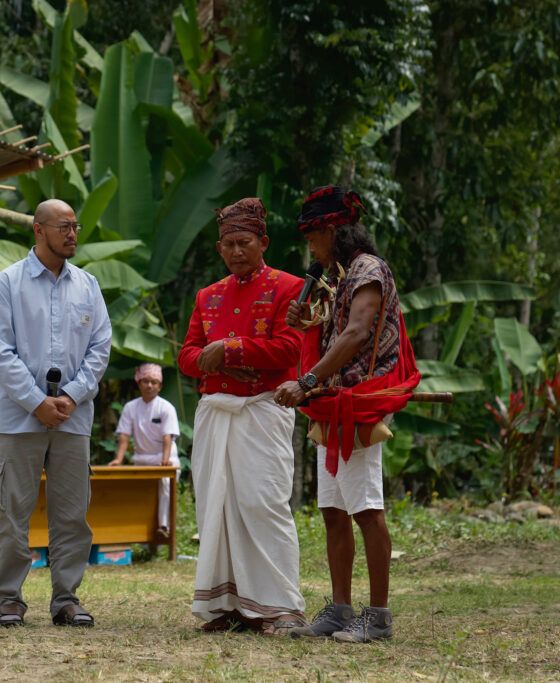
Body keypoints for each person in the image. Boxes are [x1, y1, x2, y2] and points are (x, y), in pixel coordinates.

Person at [275, 186, 419, 643]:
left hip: (357, 404)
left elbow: (357, 333)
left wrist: (307, 382)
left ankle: (377, 617)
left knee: (366, 510)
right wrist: (308, 324)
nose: (309, 249)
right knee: (333, 510)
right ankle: (339, 610)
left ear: (332, 230)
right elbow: (336, 329)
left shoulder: (367, 270)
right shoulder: (340, 276)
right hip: (335, 404)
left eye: (312, 238)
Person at [177, 197, 307, 635]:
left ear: (263, 242)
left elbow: (291, 349)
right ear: (219, 248)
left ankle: (281, 606)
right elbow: (186, 356)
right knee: (217, 505)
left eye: (244, 242)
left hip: (261, 410)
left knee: (263, 503)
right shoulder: (207, 295)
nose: (236, 251)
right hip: (216, 412)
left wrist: (229, 349)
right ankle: (227, 604)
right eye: (228, 244)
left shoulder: (288, 287)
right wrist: (209, 358)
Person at [0, 198, 111, 628]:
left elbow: (100, 349)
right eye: (64, 226)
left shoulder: (88, 286)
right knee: (13, 511)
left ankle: (66, 598)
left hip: (73, 418)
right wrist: (37, 402)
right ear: (38, 230)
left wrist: (71, 397)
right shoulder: (8, 283)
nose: (73, 233)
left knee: (72, 512)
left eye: (75, 225)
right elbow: (1, 353)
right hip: (18, 417)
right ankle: (10, 599)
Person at [107, 363, 180, 541]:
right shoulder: (130, 407)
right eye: (146, 381)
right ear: (139, 383)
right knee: (137, 492)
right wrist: (118, 459)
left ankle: (164, 527)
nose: (149, 385)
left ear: (160, 386)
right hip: (141, 458)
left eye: (154, 382)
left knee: (164, 486)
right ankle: (136, 532)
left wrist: (164, 461)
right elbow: (124, 435)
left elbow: (167, 437)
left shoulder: (166, 407)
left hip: (165, 459)